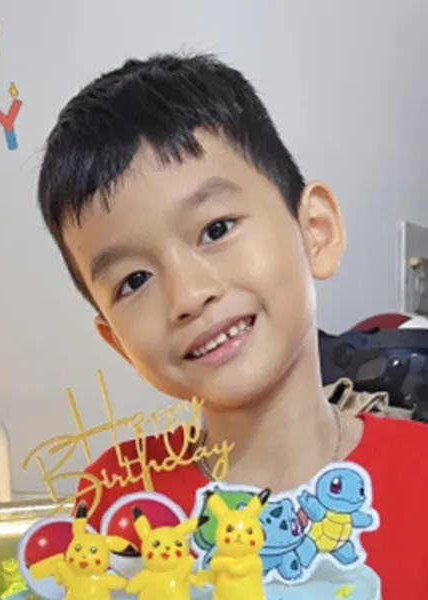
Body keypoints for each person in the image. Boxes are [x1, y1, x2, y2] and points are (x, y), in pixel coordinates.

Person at [37, 53, 428, 597]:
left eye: (216, 229)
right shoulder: (119, 496)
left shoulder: (420, 473)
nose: (188, 296)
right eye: (134, 280)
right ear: (118, 343)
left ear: (315, 231)